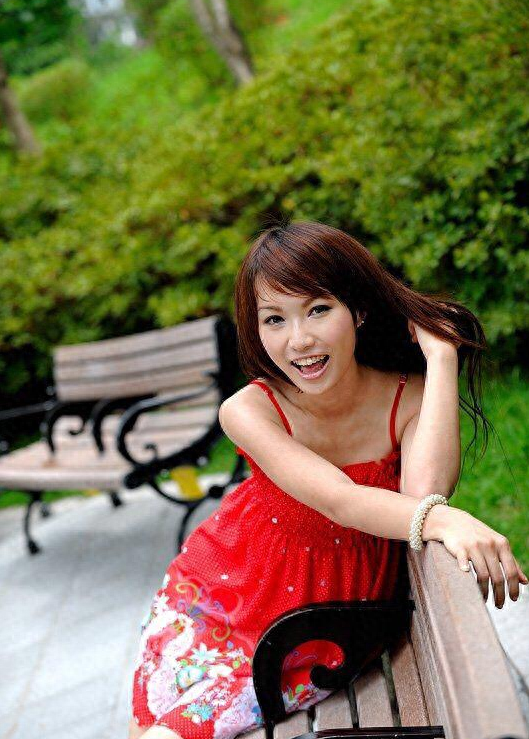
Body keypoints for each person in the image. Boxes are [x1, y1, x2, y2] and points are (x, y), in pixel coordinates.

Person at [129, 221, 527, 739]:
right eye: (274, 319)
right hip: (224, 590)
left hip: (308, 631)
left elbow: (423, 494)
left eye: (318, 309)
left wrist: (442, 356)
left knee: (176, 731)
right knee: (153, 723)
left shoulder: (406, 398)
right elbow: (341, 499)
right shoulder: (250, 409)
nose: (299, 340)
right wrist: (446, 521)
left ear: (358, 310)